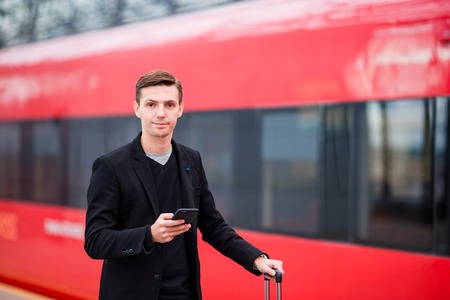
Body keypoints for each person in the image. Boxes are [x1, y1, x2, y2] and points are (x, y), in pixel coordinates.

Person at [84, 70, 284, 300]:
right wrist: (149, 235)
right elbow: (95, 241)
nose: (161, 113)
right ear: (137, 108)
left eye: (169, 104)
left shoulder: (192, 159)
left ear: (180, 109)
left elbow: (213, 225)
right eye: (151, 104)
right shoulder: (110, 167)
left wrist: (256, 259)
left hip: (184, 294)